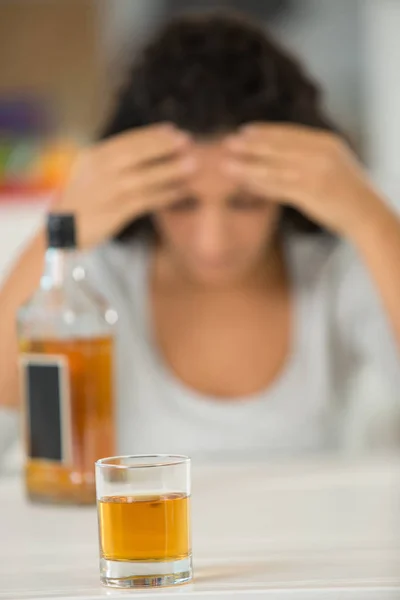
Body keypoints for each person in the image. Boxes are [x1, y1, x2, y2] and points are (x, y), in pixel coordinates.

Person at [1, 11, 400, 463]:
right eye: (182, 204)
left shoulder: (333, 269)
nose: (214, 241)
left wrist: (370, 214)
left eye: (246, 202)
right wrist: (62, 224)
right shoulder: (95, 279)